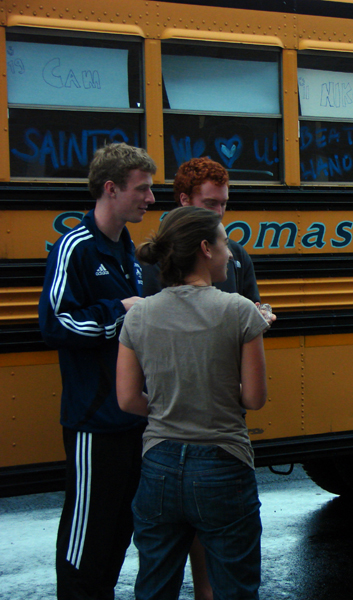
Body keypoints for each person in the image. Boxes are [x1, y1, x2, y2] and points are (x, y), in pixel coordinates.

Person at [116, 206, 272, 599]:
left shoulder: (139, 315)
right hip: (223, 461)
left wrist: (174, 402)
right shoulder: (239, 310)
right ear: (205, 248)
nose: (231, 254)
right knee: (235, 586)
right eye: (223, 243)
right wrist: (211, 394)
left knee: (154, 584)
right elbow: (254, 398)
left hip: (158, 464)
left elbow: (127, 398)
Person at [38, 142, 156, 599]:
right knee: (86, 535)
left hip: (132, 415)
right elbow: (54, 322)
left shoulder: (128, 251)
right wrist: (119, 311)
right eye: (141, 189)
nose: (150, 199)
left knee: (117, 531)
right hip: (94, 420)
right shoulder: (76, 247)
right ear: (111, 189)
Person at [142, 157, 259, 303]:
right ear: (184, 200)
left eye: (223, 204)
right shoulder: (159, 254)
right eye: (211, 203)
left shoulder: (237, 254)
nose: (218, 213)